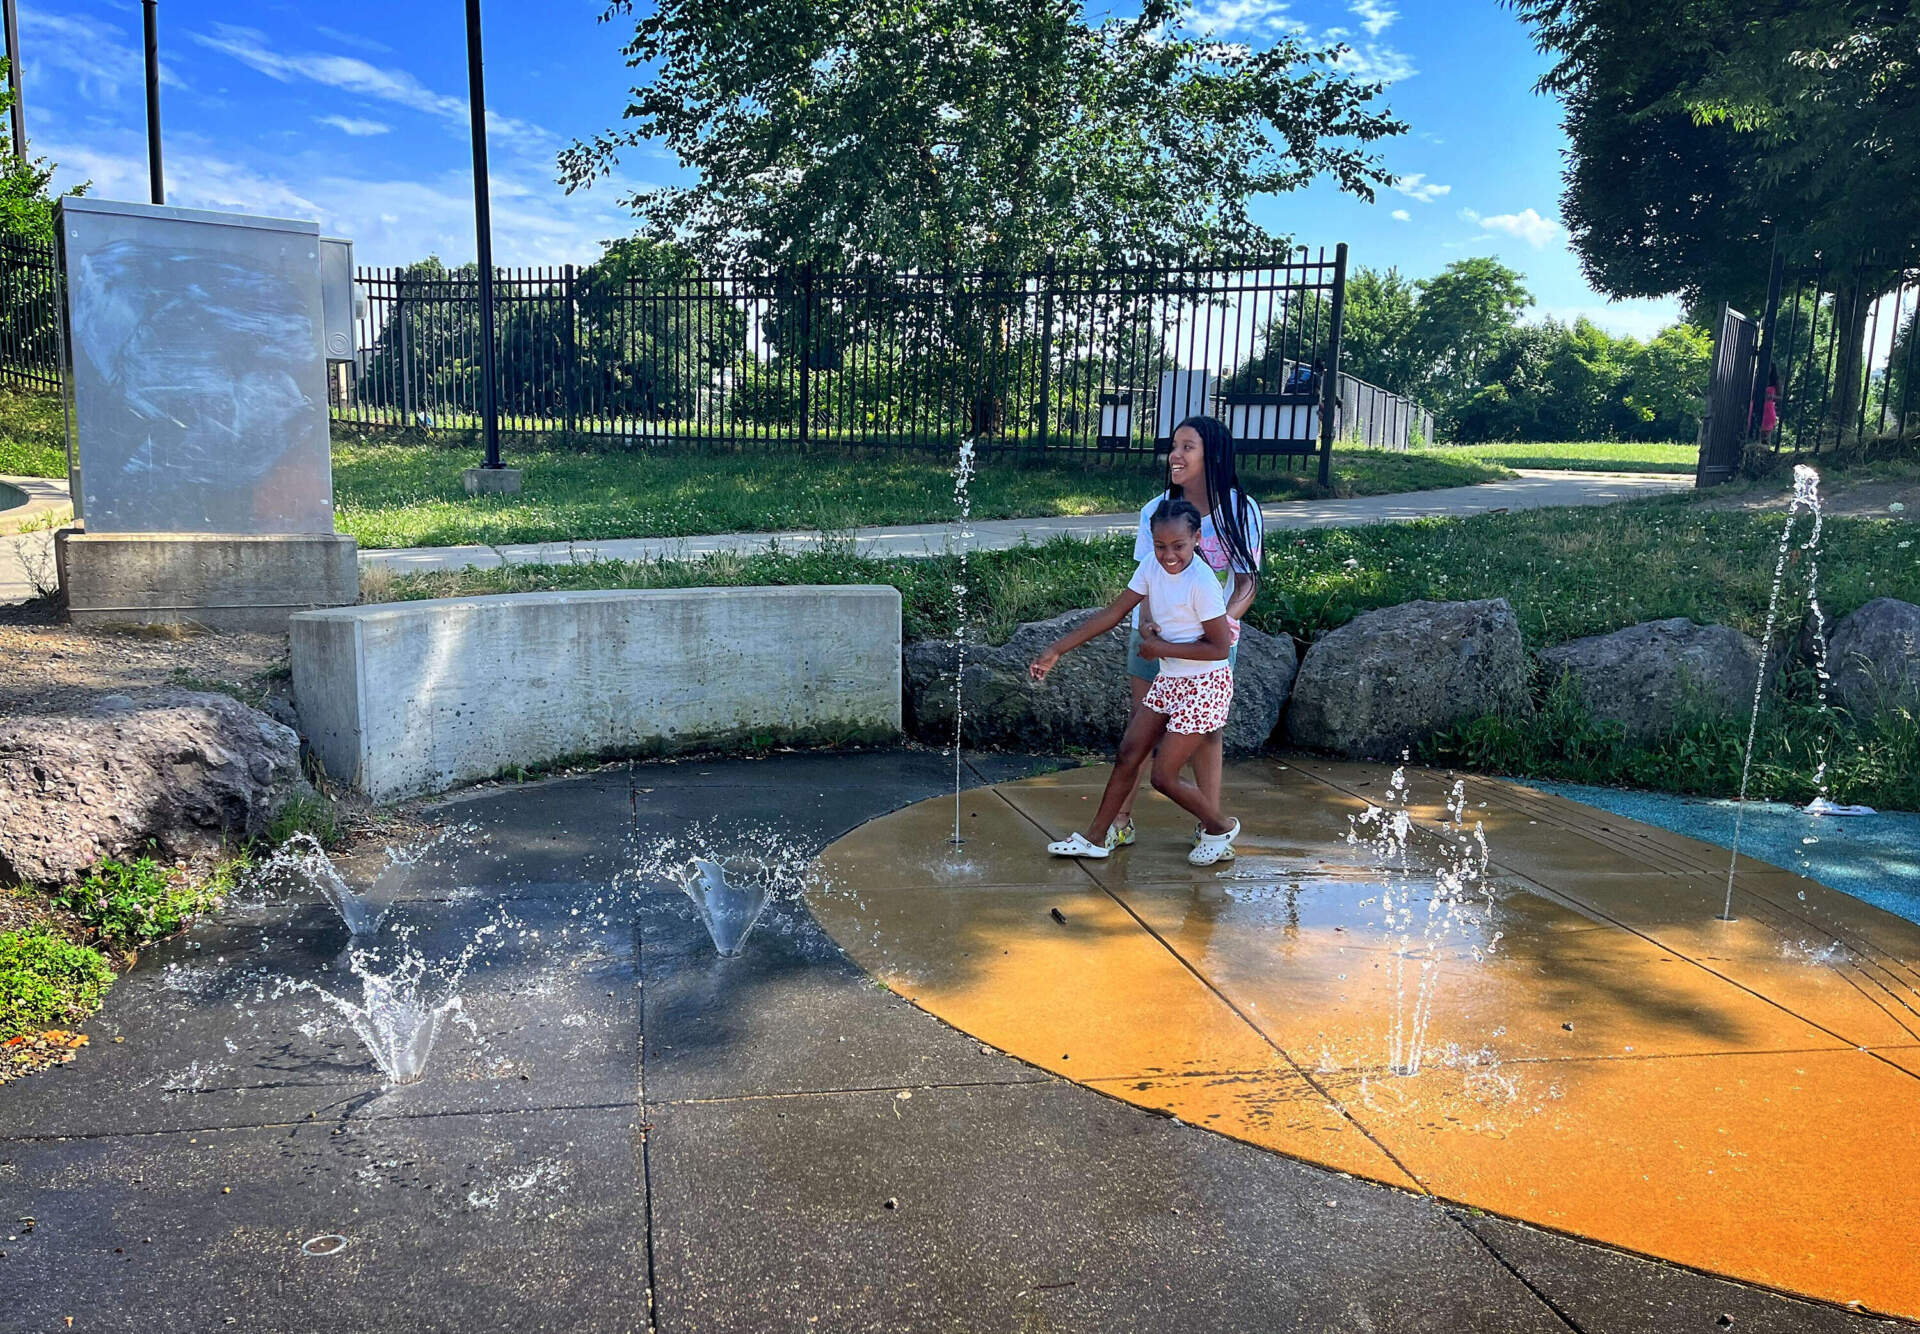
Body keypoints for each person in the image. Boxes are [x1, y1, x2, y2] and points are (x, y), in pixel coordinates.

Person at [1028, 498, 1242, 865]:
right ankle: (1095, 838)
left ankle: (1220, 827)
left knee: (1163, 776)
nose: (1168, 555)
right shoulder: (1150, 567)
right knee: (1129, 754)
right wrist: (1057, 650)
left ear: (1196, 538)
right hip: (1171, 679)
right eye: (1160, 546)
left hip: (1205, 686)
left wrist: (1161, 646)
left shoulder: (1201, 582)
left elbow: (1219, 648)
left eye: (1178, 546)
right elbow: (1114, 613)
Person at [1110, 415, 1261, 852]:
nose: (1175, 455)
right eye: (1174, 446)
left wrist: (1226, 621)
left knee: (1206, 732)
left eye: (1187, 447)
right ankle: (1120, 820)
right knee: (1142, 725)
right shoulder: (1155, 511)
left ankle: (1210, 826)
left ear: (1211, 454)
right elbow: (1147, 577)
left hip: (1211, 643)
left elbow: (1247, 581)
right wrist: (1148, 624)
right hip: (1155, 638)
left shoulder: (1240, 510)